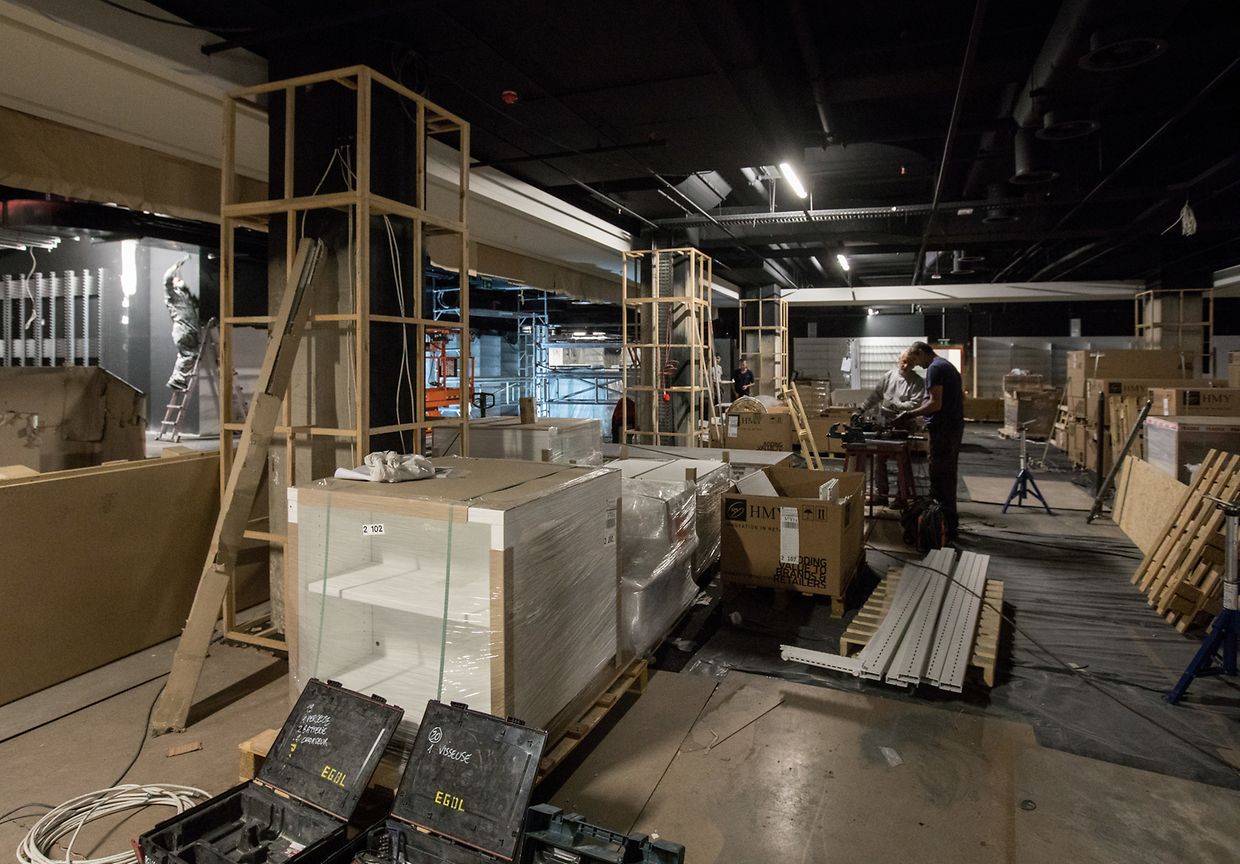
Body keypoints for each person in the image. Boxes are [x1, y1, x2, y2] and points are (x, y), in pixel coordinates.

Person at [896, 342, 965, 540]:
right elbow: (955, 399)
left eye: (915, 360)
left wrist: (908, 414)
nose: (916, 365)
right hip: (952, 428)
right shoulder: (946, 365)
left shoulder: (934, 368)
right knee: (947, 477)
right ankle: (948, 525)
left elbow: (935, 403)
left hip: (943, 431)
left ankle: (940, 527)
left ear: (921, 353)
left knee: (940, 478)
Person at [853, 350, 926, 505]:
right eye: (904, 361)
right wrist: (861, 409)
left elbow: (915, 403)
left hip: (904, 425)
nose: (906, 365)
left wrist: (896, 405)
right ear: (898, 360)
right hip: (886, 422)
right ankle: (881, 494)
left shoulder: (917, 382)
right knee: (879, 460)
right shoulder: (888, 376)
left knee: (903, 462)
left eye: (910, 363)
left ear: (915, 364)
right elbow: (875, 395)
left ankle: (902, 495)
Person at [163, 256, 201, 391]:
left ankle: (178, 378)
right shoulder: (172, 296)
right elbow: (166, 280)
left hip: (188, 331)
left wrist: (185, 289)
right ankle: (176, 379)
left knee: (189, 355)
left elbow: (195, 303)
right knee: (189, 355)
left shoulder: (184, 296)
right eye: (177, 279)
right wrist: (177, 265)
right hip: (183, 331)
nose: (180, 280)